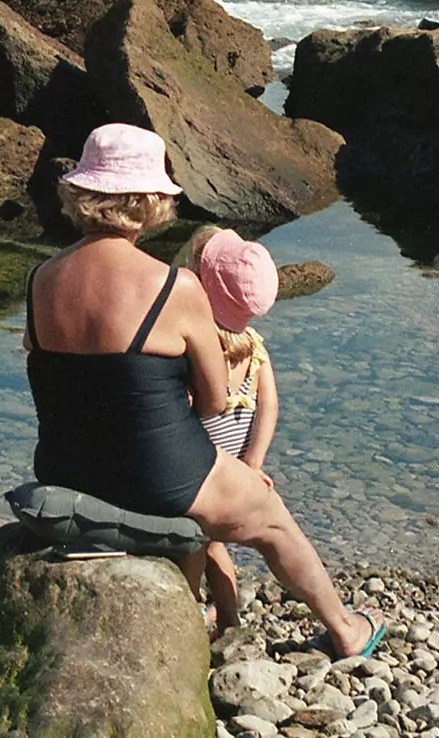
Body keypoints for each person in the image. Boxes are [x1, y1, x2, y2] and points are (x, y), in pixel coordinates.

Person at [24, 122, 384, 658]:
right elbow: (214, 400)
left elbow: (47, 370)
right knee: (272, 518)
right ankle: (347, 631)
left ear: (81, 194)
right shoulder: (174, 286)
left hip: (65, 467)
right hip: (160, 478)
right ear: (149, 201)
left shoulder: (40, 278)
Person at [178, 226, 281, 635]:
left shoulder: (200, 348)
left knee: (193, 549)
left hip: (202, 474)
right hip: (236, 468)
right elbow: (269, 406)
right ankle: (231, 621)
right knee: (216, 546)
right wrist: (253, 463)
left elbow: (187, 410)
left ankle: (185, 619)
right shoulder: (255, 347)